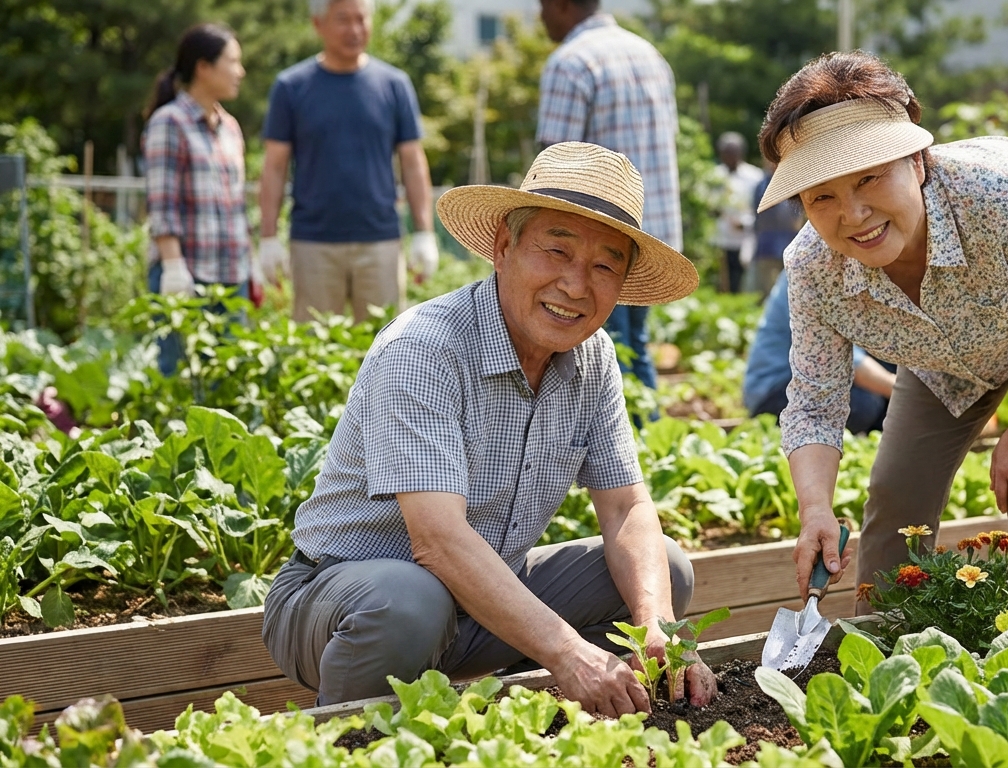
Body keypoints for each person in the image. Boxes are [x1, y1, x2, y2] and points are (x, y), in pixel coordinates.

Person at [262, 142, 714, 714]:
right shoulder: (424, 348)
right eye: (556, 250)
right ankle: (352, 740)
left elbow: (626, 508)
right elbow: (438, 540)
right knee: (408, 603)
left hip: (478, 605)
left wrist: (661, 632)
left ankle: (550, 715)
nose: (576, 285)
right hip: (342, 601)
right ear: (504, 247)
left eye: (605, 265)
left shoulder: (592, 355)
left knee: (663, 573)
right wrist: (567, 650)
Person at [755, 52, 1008, 608]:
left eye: (869, 178)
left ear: (917, 160)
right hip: (951, 344)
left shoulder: (1003, 198)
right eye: (822, 196)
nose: (854, 214)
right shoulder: (815, 267)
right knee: (897, 492)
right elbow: (816, 404)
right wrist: (815, 510)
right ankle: (885, 650)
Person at [257, 0, 439, 324]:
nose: (355, 30)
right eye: (343, 20)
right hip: (313, 243)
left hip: (380, 240)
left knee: (384, 349)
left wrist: (424, 232)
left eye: (362, 19)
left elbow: (412, 162)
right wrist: (268, 237)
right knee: (313, 353)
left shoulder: (394, 84)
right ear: (318, 24)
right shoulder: (291, 87)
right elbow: (274, 166)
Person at [537, 0, 680, 389]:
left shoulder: (571, 62)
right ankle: (647, 439)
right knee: (633, 345)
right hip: (652, 232)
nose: (540, 16)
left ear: (561, 5)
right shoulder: (649, 54)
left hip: (595, 242)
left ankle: (619, 440)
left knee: (598, 354)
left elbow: (555, 166)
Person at [142, 23, 251, 376]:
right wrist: (173, 269)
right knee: (177, 377)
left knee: (229, 379)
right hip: (188, 275)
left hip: (231, 279)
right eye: (233, 61)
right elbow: (162, 204)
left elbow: (235, 204)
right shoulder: (169, 122)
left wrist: (254, 268)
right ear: (204, 67)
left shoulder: (230, 127)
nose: (241, 71)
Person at [745, 271, 893, 433]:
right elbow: (850, 363)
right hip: (775, 391)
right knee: (864, 403)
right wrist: (907, 392)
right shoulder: (810, 271)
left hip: (813, 380)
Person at [712, 132, 765, 293]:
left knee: (743, 279)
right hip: (719, 238)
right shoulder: (714, 176)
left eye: (733, 153)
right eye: (726, 153)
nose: (729, 157)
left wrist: (745, 223)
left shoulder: (754, 177)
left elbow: (760, 209)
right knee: (721, 280)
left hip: (744, 237)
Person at [748, 161, 803, 297]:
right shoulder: (761, 185)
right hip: (768, 250)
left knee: (793, 293)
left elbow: (795, 220)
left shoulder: (793, 182)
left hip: (791, 248)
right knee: (774, 295)